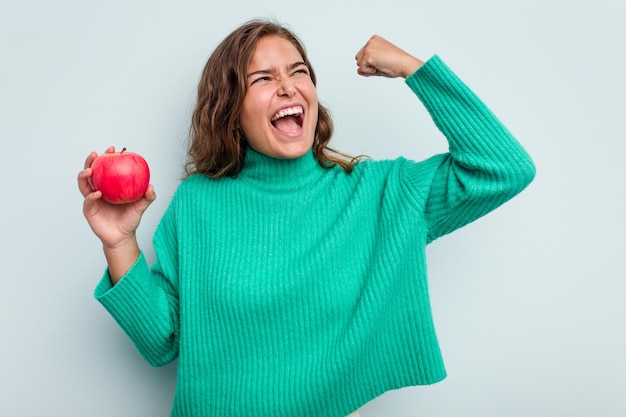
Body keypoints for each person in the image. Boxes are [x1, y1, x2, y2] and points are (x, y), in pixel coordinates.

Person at [78, 19, 535, 417]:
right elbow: (163, 342)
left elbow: (504, 168)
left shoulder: (378, 194)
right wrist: (119, 243)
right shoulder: (197, 203)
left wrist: (413, 69)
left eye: (298, 71)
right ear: (231, 110)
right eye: (262, 78)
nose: (288, 86)